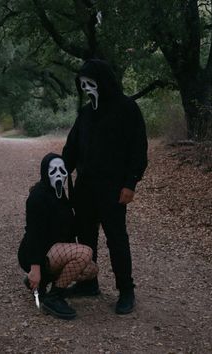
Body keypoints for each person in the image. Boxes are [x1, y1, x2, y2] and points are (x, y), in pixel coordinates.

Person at [62, 59, 148, 315]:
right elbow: (71, 148)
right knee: (85, 238)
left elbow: (138, 149)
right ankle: (88, 283)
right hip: (85, 189)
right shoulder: (86, 114)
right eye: (83, 85)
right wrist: (57, 173)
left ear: (104, 82)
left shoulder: (127, 109)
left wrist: (130, 183)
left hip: (113, 189)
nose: (87, 89)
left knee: (116, 239)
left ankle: (126, 290)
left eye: (91, 84)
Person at [18, 152, 98, 320]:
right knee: (84, 253)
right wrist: (35, 268)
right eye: (53, 171)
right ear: (44, 172)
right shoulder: (38, 196)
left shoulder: (61, 196)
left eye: (62, 170)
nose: (59, 175)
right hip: (35, 254)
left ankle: (43, 283)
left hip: (54, 252)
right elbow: (34, 234)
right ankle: (54, 296)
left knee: (91, 269)